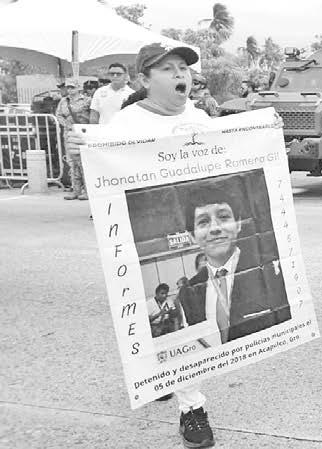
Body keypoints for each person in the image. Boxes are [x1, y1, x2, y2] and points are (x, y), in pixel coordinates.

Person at [65, 42, 225, 449]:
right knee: (153, 321)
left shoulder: (201, 118)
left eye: (184, 68)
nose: (180, 75)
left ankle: (191, 407)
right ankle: (166, 377)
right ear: (144, 80)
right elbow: (97, 161)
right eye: (168, 69)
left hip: (190, 231)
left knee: (186, 327)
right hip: (146, 232)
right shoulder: (125, 123)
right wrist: (81, 149)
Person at [179, 185, 291, 343]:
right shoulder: (188, 292)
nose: (215, 228)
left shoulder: (272, 270)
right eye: (203, 222)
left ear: (238, 224)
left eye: (223, 217)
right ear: (192, 236)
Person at [56, 78, 92, 201]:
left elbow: (92, 116)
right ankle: (75, 190)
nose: (70, 90)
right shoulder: (63, 101)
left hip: (83, 134)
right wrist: (67, 125)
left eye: (72, 87)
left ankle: (88, 190)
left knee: (84, 163)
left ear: (79, 88)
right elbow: (59, 115)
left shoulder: (87, 100)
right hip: (69, 134)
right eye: (68, 87)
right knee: (72, 163)